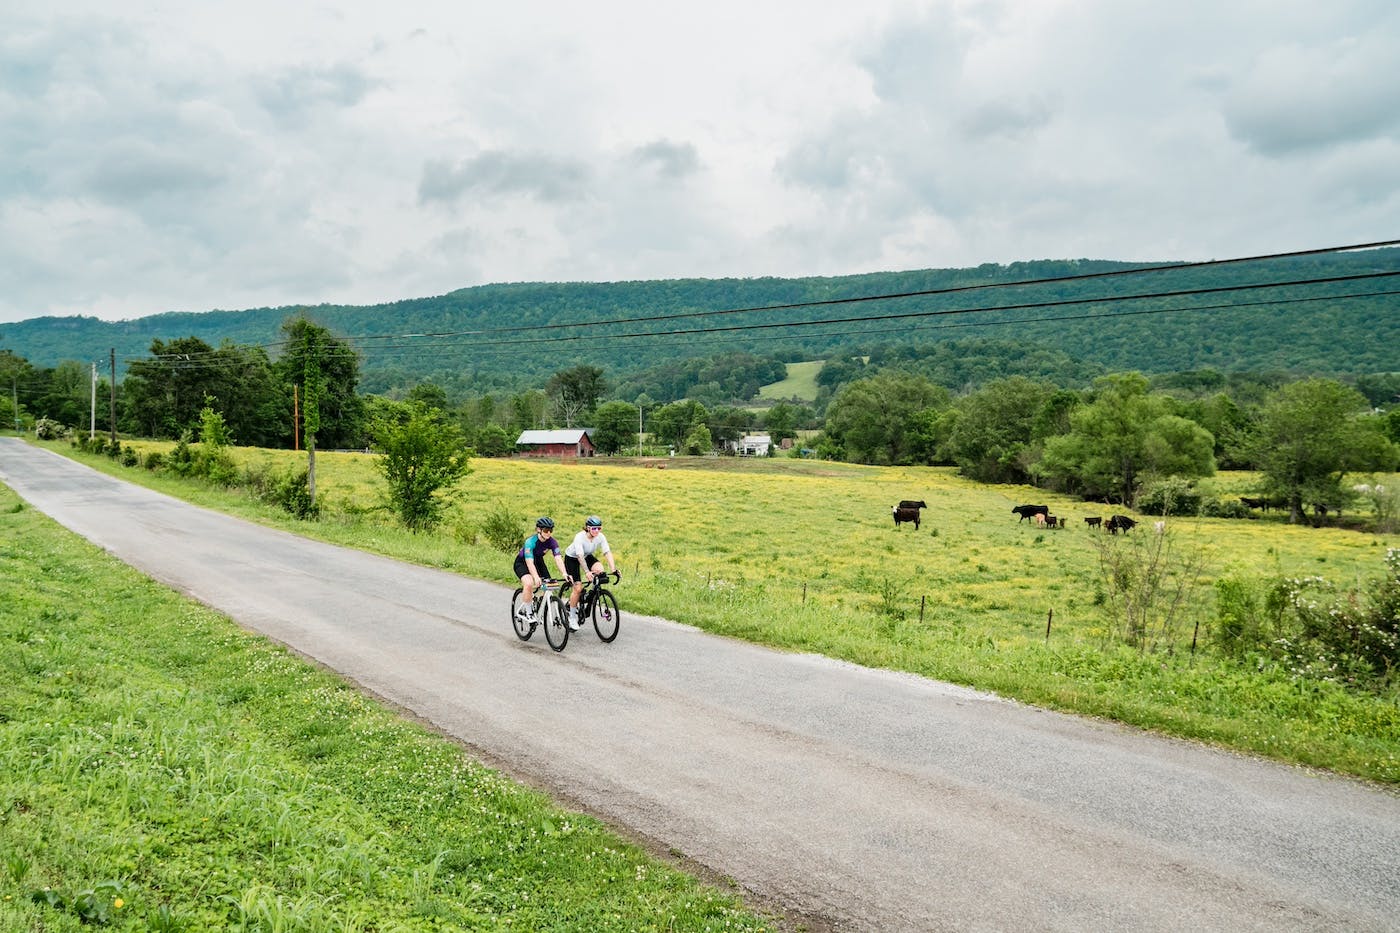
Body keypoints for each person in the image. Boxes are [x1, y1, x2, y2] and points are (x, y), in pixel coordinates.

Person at [563, 515, 618, 630]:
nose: (597, 531)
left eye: (599, 528)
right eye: (594, 528)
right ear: (588, 528)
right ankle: (572, 617)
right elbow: (579, 556)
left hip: (587, 556)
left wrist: (613, 569)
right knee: (577, 588)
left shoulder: (600, 537)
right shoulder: (579, 537)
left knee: (600, 570)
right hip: (573, 558)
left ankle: (590, 595)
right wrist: (587, 571)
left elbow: (607, 552)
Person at [514, 517, 568, 625]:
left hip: (538, 561)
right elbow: (529, 562)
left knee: (550, 585)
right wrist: (535, 576)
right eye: (546, 530)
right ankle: (528, 612)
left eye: (550, 530)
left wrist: (564, 573)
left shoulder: (552, 542)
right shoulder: (530, 542)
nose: (548, 533)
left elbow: (558, 558)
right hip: (522, 562)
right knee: (529, 583)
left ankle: (539, 607)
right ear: (539, 530)